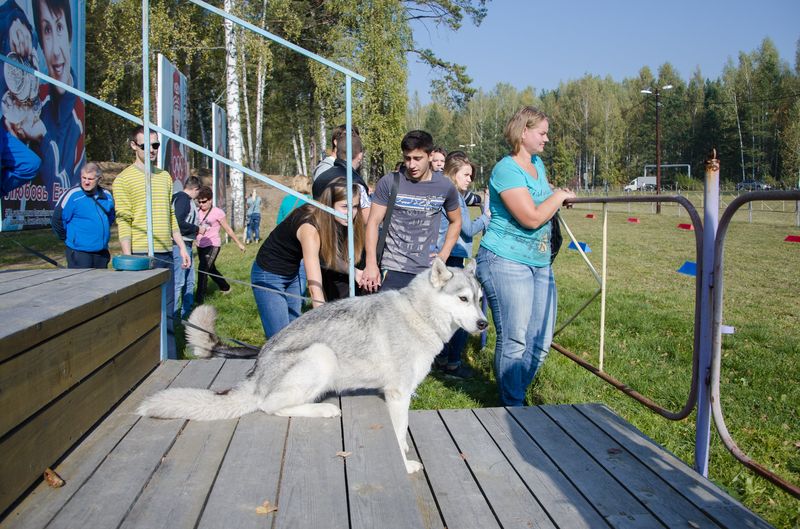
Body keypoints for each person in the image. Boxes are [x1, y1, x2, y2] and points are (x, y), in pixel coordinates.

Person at [476, 106, 575, 406]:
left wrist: (556, 196)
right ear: (523, 132)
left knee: (541, 342)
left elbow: (540, 201)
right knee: (515, 339)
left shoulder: (537, 165)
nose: (547, 139)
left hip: (539, 262)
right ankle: (514, 408)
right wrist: (558, 196)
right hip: (505, 261)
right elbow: (531, 218)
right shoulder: (506, 169)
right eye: (542, 133)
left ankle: (514, 397)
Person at [251, 177, 365, 338]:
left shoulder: (330, 219)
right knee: (280, 338)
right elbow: (314, 288)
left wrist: (355, 272)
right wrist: (323, 322)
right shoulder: (310, 228)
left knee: (295, 334)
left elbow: (328, 257)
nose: (351, 213)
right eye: (345, 206)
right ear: (330, 204)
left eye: (354, 207)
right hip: (268, 274)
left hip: (292, 271)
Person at [114, 125, 190, 359]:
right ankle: (140, 360)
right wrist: (128, 257)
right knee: (140, 313)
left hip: (166, 252)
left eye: (156, 145)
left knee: (167, 312)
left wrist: (181, 247)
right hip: (140, 253)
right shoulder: (123, 180)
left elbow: (170, 216)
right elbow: (123, 220)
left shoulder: (165, 177)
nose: (152, 150)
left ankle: (170, 359)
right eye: (146, 146)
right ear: (134, 146)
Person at [362, 130, 461, 292]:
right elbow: (373, 223)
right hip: (393, 268)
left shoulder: (445, 186)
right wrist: (371, 264)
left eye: (417, 158)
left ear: (430, 156)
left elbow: (456, 221)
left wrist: (443, 255)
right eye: (407, 158)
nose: (411, 165)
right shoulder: (389, 182)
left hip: (427, 272)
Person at [433, 152, 491, 378]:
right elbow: (467, 229)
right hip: (453, 256)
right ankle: (454, 362)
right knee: (462, 310)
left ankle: (443, 358)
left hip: (447, 254)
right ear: (452, 173)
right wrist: (486, 216)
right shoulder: (455, 197)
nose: (469, 179)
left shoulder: (450, 193)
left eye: (471, 176)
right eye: (466, 175)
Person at [51, 162, 114, 268]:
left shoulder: (107, 195)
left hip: (102, 253)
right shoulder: (72, 195)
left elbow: (110, 217)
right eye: (83, 178)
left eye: (90, 179)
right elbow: (57, 220)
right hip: (79, 253)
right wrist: (70, 239)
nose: (86, 182)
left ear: (99, 179)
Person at [194, 185, 245, 304]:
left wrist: (239, 243)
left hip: (213, 245)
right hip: (200, 245)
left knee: (203, 270)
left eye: (204, 202)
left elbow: (228, 229)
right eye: (199, 202)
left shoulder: (218, 212)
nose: (201, 204)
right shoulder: (197, 212)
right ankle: (225, 287)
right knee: (211, 269)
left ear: (210, 200)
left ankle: (199, 300)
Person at [312, 133, 371, 224]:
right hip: (344, 235)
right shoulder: (355, 183)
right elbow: (366, 218)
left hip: (320, 229)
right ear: (360, 156)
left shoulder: (321, 177)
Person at [172, 176, 203, 319]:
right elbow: (178, 222)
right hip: (180, 245)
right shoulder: (183, 199)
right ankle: (173, 315)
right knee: (179, 282)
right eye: (198, 192)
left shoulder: (180, 198)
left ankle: (186, 314)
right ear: (195, 189)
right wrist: (197, 229)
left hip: (186, 244)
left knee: (189, 281)